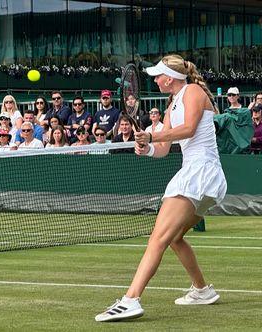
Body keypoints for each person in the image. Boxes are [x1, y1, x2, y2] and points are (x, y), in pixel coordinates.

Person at [95, 54, 227, 322]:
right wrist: (147, 147)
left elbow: (189, 129)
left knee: (157, 237)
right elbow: (164, 149)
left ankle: (131, 299)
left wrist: (153, 134)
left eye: (158, 75)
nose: (155, 80)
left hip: (200, 173)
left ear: (170, 78)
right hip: (201, 178)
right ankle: (202, 290)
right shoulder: (171, 106)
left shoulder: (192, 91)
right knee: (173, 238)